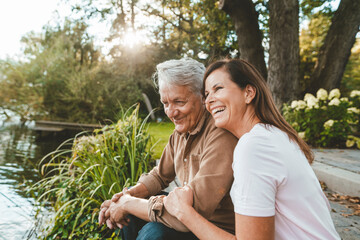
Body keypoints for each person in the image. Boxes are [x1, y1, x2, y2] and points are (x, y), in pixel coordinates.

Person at [164, 59, 340, 240]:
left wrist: (184, 212)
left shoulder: (254, 147)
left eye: (218, 89)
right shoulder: (275, 135)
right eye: (207, 93)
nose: (208, 100)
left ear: (248, 93)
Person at [98, 58, 238, 240]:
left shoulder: (220, 135)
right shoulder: (180, 132)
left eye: (179, 102)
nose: (171, 112)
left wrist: (128, 203)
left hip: (214, 228)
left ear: (203, 97)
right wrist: (126, 196)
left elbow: (189, 214)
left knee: (154, 235)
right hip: (188, 216)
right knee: (132, 215)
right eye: (165, 103)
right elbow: (160, 176)